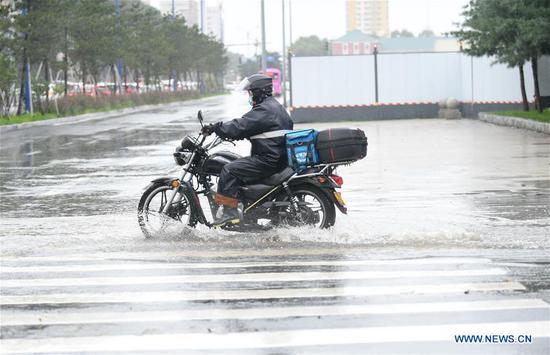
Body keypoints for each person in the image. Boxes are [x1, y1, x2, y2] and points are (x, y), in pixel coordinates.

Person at [201, 74, 293, 227]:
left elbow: (241, 125)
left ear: (258, 92)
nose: (249, 96)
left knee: (229, 170)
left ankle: (229, 214)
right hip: (277, 157)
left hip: (268, 159)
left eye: (250, 92)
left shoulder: (264, 110)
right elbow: (254, 128)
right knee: (238, 166)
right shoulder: (273, 106)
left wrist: (216, 128)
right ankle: (247, 212)